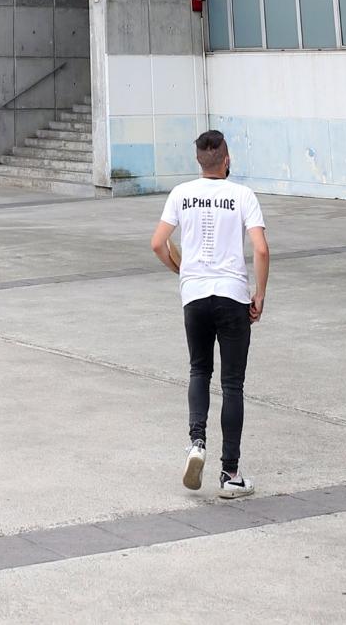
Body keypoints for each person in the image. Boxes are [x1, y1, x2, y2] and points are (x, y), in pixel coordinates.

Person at [150, 128, 269, 498]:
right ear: (227, 159)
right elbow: (262, 251)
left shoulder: (181, 194)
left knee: (199, 369)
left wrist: (182, 272)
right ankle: (230, 475)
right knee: (232, 385)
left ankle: (196, 443)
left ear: (198, 161)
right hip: (232, 296)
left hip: (195, 296)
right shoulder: (242, 195)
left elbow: (157, 243)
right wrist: (259, 295)